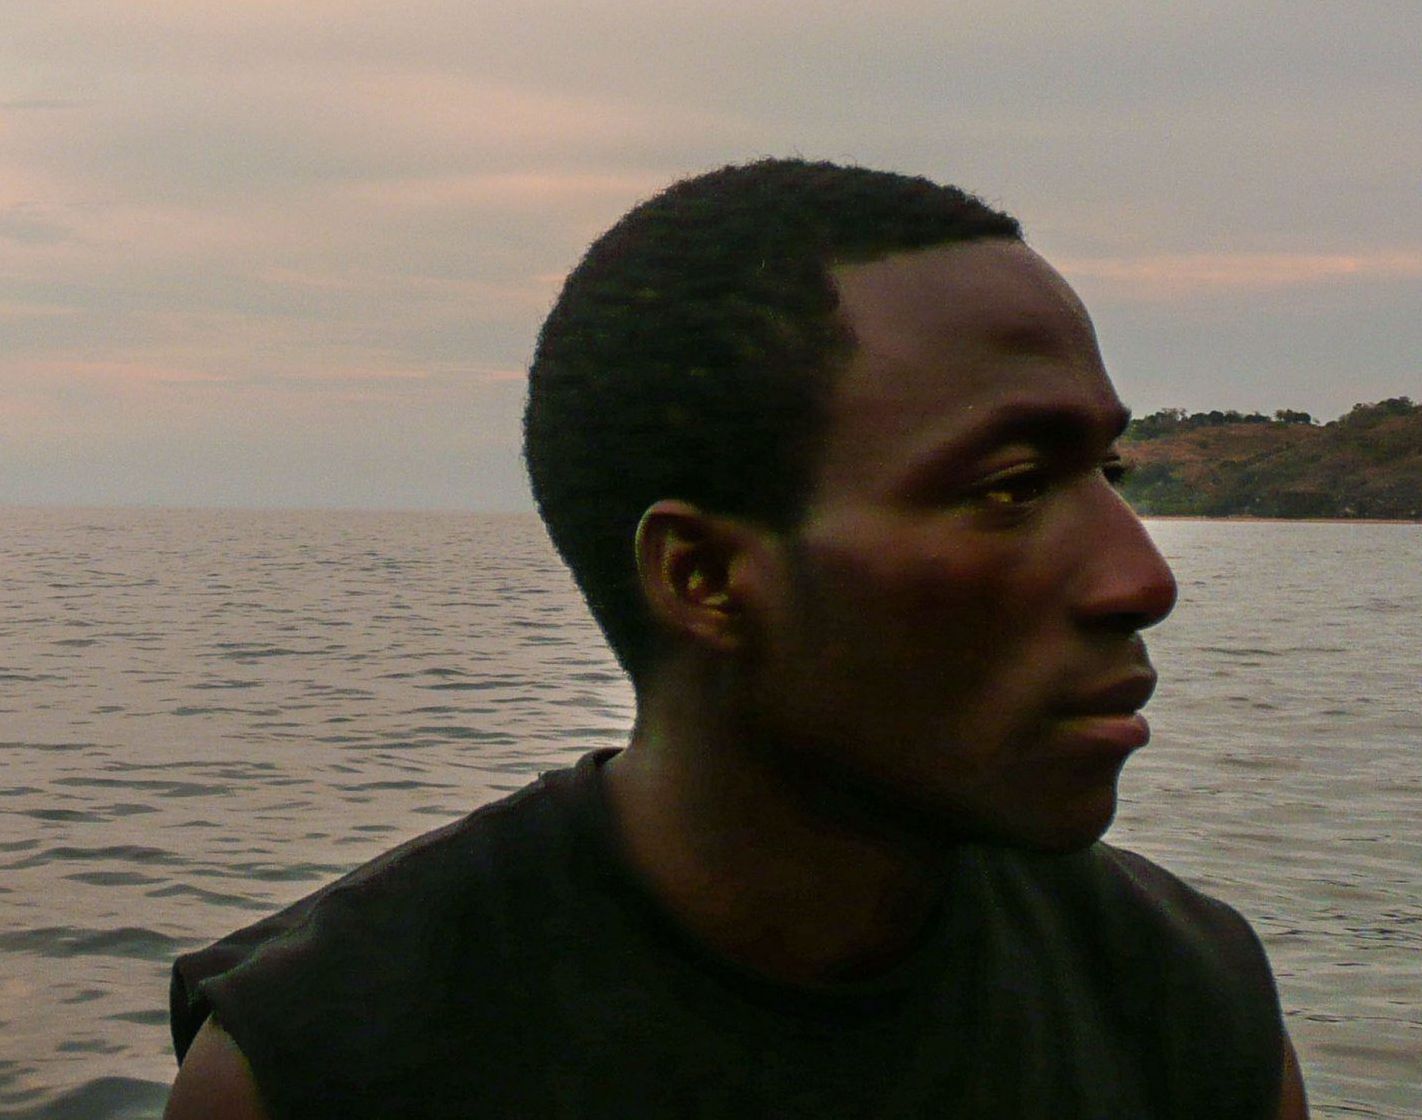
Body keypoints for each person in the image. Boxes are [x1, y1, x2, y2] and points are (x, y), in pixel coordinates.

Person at [163, 159, 1306, 1119]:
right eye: (1008, 487)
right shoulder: (334, 1062)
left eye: (1106, 471)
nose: (1140, 578)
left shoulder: (1179, 998)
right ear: (705, 579)